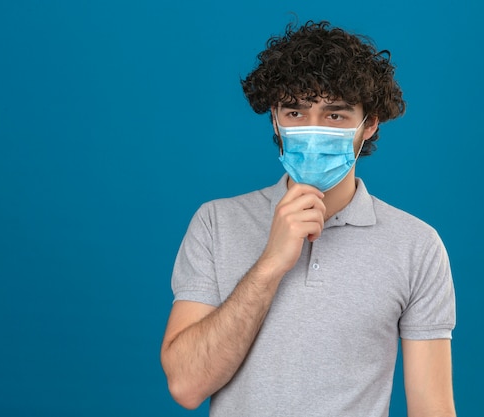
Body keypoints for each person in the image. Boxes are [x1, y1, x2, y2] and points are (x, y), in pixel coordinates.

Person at [160, 19, 456, 417]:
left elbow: (432, 410)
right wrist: (269, 266)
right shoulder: (216, 223)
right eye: (296, 111)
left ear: (369, 125)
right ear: (275, 121)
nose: (313, 130)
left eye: (335, 115)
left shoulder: (417, 246)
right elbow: (185, 386)